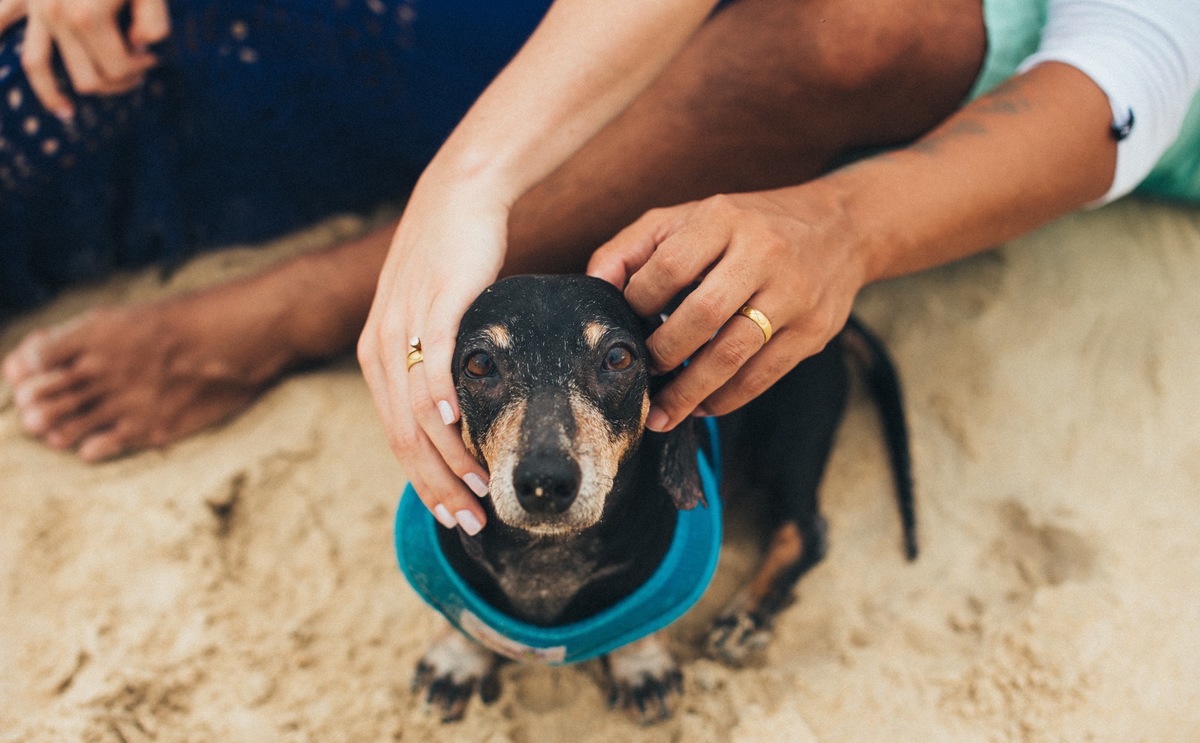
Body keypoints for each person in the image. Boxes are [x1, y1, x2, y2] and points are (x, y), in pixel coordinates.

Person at [3, 1, 1198, 532]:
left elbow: (1132, 66)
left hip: (1033, 78)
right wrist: (470, 178)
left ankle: (307, 303)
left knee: (867, 26)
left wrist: (844, 225)